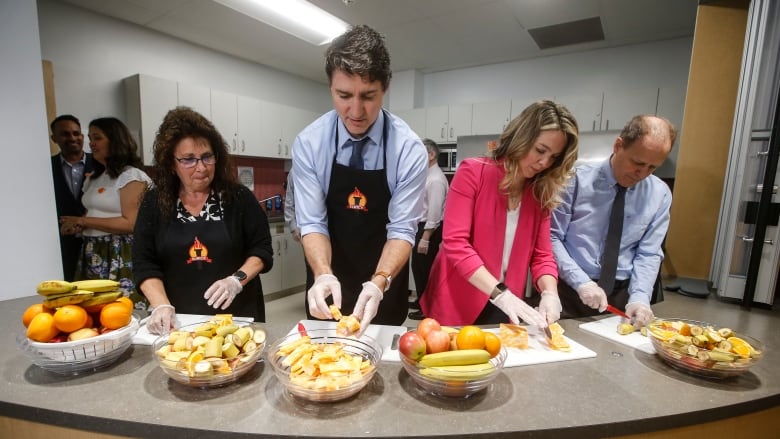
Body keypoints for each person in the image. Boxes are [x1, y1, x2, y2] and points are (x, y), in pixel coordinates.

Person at [291, 25, 427, 333]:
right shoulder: (310, 143)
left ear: (385, 87)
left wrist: (380, 282)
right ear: (330, 88)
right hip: (328, 279)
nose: (355, 111)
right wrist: (323, 274)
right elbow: (312, 222)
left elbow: (402, 229)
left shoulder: (407, 149)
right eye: (343, 96)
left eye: (368, 96)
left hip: (383, 284)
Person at [420, 100, 579, 328]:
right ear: (521, 138)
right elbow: (456, 243)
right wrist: (500, 294)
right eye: (540, 150)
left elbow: (542, 256)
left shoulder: (539, 192)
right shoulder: (474, 172)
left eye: (554, 157)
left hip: (507, 304)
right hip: (458, 300)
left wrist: (550, 293)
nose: (544, 162)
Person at [132, 107, 274, 334]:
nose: (201, 167)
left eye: (207, 157)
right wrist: (161, 305)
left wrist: (236, 280)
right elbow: (144, 263)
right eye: (188, 159)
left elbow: (262, 250)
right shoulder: (154, 203)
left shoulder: (238, 198)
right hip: (179, 320)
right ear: (171, 162)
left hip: (236, 317)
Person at [550, 115, 676, 328]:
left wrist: (640, 298)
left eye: (652, 167)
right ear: (618, 146)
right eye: (638, 163)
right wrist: (581, 282)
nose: (642, 174)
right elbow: (552, 237)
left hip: (621, 295)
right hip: (569, 291)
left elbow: (649, 252)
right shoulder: (574, 181)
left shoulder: (659, 194)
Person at [59, 117, 151, 305]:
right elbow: (93, 213)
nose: (91, 143)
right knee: (93, 309)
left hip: (120, 251)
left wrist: (84, 222)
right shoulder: (94, 177)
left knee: (122, 308)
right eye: (91, 138)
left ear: (115, 140)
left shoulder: (131, 176)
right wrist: (77, 226)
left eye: (97, 138)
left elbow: (131, 223)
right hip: (93, 250)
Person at [50, 114, 98, 281]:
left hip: (98, 242)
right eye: (65, 134)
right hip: (62, 246)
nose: (72, 138)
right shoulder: (47, 167)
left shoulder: (101, 165)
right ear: (54, 138)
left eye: (76, 133)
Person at [408, 138, 449, 320]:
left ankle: (427, 310)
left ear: (431, 155)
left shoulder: (436, 180)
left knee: (424, 270)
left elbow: (434, 212)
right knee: (418, 268)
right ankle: (421, 301)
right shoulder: (427, 175)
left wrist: (425, 237)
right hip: (422, 228)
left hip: (428, 231)